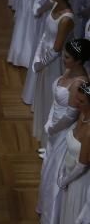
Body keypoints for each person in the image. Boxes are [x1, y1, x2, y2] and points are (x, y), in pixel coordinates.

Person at [37, 39, 89, 223]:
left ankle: (52, 215)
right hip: (53, 125)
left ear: (78, 61)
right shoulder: (69, 70)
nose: (63, 59)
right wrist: (50, 121)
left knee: (55, 169)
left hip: (62, 130)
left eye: (67, 57)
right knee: (48, 167)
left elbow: (70, 114)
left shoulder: (80, 82)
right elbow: (56, 100)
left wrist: (52, 127)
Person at [24, 0, 77, 142]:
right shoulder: (56, 5)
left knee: (51, 99)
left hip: (55, 64)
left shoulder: (66, 19)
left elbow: (56, 49)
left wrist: (40, 63)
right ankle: (44, 137)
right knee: (44, 97)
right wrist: (38, 56)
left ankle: (50, 142)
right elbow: (47, 36)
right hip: (44, 58)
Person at [54, 81, 90, 224]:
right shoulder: (82, 114)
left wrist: (64, 180)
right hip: (69, 172)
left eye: (81, 101)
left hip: (79, 180)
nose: (76, 102)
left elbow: (82, 165)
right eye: (77, 98)